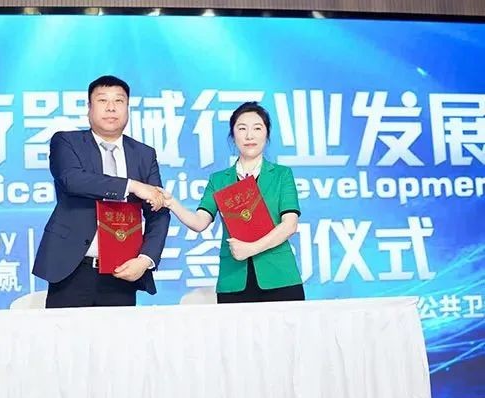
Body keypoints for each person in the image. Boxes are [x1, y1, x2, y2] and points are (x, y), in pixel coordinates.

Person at [33, 75, 170, 308]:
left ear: (128, 108)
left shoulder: (144, 154)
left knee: (119, 333)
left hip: (124, 269)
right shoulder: (67, 142)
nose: (111, 107)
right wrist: (132, 185)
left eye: (119, 101)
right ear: (89, 107)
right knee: (66, 332)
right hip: (72, 269)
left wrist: (145, 259)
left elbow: (158, 210)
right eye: (102, 100)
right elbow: (72, 180)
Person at [160, 102, 304, 303]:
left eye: (257, 128)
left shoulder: (281, 175)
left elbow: (290, 225)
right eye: (242, 128)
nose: (249, 136)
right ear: (233, 135)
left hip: (280, 277)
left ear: (267, 134)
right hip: (234, 279)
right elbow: (199, 222)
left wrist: (251, 248)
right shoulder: (219, 180)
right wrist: (172, 203)